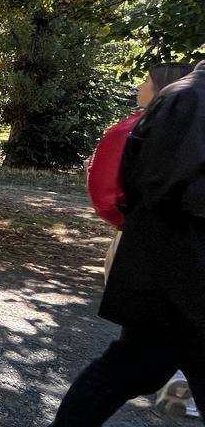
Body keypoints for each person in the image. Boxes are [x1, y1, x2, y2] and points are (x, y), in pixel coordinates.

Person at [51, 61, 205, 426]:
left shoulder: (183, 98)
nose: (139, 85)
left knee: (131, 367)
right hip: (179, 277)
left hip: (172, 275)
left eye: (145, 79)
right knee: (129, 368)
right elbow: (149, 190)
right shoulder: (187, 100)